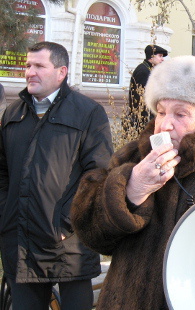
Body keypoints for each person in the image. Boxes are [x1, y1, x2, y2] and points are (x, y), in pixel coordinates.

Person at [71, 55, 195, 309]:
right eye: (160, 112)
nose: (164, 125)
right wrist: (131, 189)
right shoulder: (134, 158)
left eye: (181, 114)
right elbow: (91, 235)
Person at [0, 41, 114, 310]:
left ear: (61, 72)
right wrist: (6, 212)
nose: (30, 72)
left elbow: (98, 172)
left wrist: (66, 223)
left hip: (67, 245)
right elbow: (2, 170)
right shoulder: (13, 113)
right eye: (28, 65)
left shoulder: (88, 113)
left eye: (39, 65)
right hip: (20, 240)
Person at [128, 44, 169, 131]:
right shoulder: (143, 71)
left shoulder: (148, 69)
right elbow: (143, 96)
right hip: (142, 117)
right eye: (160, 56)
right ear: (151, 56)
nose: (162, 59)